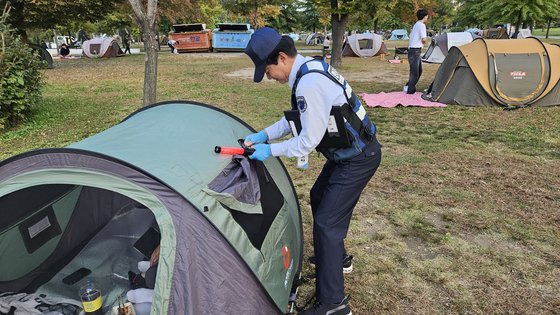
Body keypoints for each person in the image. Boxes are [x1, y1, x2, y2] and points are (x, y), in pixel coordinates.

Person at [243, 27, 382, 315]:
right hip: (348, 154)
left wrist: (272, 151)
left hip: (358, 157)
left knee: (327, 224)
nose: (268, 76)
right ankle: (337, 260)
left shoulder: (308, 83)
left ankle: (333, 305)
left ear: (281, 58)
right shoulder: (308, 69)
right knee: (319, 197)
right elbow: (297, 120)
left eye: (267, 70)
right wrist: (264, 135)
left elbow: (308, 140)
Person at [405, 8, 429, 94]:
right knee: (415, 71)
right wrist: (426, 40)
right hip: (415, 51)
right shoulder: (422, 25)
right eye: (427, 16)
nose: (427, 18)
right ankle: (410, 90)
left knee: (418, 70)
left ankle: (409, 86)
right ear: (425, 16)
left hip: (414, 50)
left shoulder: (416, 24)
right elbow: (423, 39)